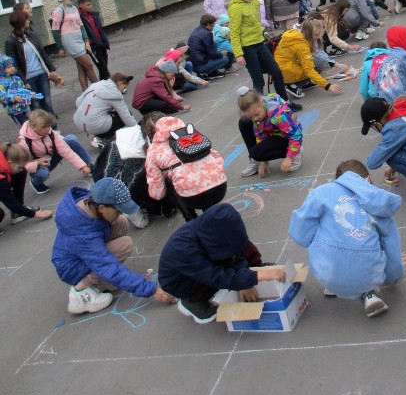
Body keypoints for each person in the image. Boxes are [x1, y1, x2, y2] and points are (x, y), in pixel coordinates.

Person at [289, 159, 404, 317]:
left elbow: (300, 235)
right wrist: (393, 277)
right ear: (368, 179)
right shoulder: (378, 202)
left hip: (325, 271)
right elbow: (392, 248)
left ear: (338, 180)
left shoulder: (320, 193)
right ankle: (369, 292)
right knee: (372, 246)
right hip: (368, 274)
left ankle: (334, 283)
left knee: (322, 229)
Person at [51, 177, 175, 314]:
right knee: (124, 245)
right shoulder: (84, 234)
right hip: (72, 269)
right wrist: (152, 290)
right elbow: (107, 266)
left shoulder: (90, 203)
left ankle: (102, 280)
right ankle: (80, 293)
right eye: (118, 209)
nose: (121, 212)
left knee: (121, 222)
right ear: (102, 207)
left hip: (79, 255)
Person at [158, 202, 286, 324]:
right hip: (181, 282)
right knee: (215, 278)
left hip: (203, 259)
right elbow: (215, 276)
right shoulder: (184, 250)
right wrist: (256, 277)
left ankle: (251, 270)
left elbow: (234, 251)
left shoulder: (212, 228)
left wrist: (245, 277)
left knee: (241, 245)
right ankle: (192, 302)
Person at [228, 0, 301, 110]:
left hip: (260, 43)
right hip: (247, 47)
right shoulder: (235, 8)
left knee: (277, 72)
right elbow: (234, 32)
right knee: (258, 80)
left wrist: (266, 33)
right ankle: (259, 109)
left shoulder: (255, 1)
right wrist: (238, 54)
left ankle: (284, 103)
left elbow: (258, 22)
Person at [145, 116, 227, 221]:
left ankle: (191, 219)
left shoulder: (153, 150)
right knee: (194, 176)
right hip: (220, 185)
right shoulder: (192, 134)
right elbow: (216, 156)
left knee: (170, 181)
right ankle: (213, 215)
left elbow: (158, 192)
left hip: (193, 197)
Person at [18, 109, 92, 195]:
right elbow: (22, 165)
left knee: (71, 139)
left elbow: (65, 150)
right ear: (34, 128)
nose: (48, 129)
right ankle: (36, 183)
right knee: (42, 174)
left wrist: (81, 166)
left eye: (49, 126)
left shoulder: (49, 131)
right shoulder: (24, 142)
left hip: (51, 156)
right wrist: (38, 163)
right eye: (44, 128)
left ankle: (88, 165)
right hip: (38, 164)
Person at [6, 9, 61, 117]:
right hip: (28, 79)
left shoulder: (31, 35)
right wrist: (24, 81)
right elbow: (14, 63)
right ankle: (41, 132)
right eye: (26, 19)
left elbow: (42, 53)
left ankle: (53, 131)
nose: (28, 21)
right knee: (35, 106)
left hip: (42, 75)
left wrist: (52, 70)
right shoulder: (11, 41)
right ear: (20, 22)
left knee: (47, 103)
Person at [237, 86, 303, 177]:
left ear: (261, 102)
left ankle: (296, 153)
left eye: (256, 114)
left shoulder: (279, 115)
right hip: (273, 134)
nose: (255, 119)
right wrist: (263, 159)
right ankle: (255, 161)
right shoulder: (258, 112)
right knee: (243, 122)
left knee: (255, 153)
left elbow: (296, 135)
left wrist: (289, 157)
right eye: (251, 117)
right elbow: (260, 134)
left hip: (287, 137)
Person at [274, 21, 344, 100]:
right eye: (316, 35)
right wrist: (328, 86)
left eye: (319, 34)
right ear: (308, 34)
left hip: (280, 66)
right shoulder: (302, 45)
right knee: (314, 67)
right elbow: (309, 71)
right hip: (284, 70)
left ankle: (304, 82)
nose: (319, 37)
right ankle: (290, 85)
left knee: (313, 62)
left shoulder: (297, 34)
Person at [51, 0, 98, 91]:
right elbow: (55, 30)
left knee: (81, 67)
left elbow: (81, 25)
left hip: (79, 39)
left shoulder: (74, 8)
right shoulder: (59, 10)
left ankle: (86, 92)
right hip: (70, 41)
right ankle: (100, 89)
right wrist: (60, 47)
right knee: (89, 65)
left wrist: (86, 40)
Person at [73, 71, 137, 145]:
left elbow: (78, 102)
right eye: (124, 88)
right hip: (94, 125)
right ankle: (102, 138)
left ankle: (99, 135)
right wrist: (139, 130)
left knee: (106, 113)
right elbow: (127, 118)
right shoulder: (114, 94)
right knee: (126, 115)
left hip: (79, 121)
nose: (123, 91)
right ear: (119, 83)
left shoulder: (96, 85)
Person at [0, 142, 53, 228]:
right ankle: (19, 211)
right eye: (19, 167)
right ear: (9, 162)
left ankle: (18, 214)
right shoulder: (1, 180)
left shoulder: (3, 159)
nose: (20, 169)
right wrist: (38, 214)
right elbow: (12, 205)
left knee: (20, 173)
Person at [188, 14, 234, 79]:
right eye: (213, 23)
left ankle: (206, 71)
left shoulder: (197, 30)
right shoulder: (207, 33)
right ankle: (208, 73)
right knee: (225, 59)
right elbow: (212, 53)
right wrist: (221, 54)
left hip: (194, 63)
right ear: (209, 24)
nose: (214, 25)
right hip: (200, 64)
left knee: (215, 44)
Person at [77, 0, 111, 80]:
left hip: (101, 43)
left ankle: (103, 84)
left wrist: (104, 40)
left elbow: (99, 29)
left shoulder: (93, 14)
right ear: (81, 5)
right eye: (87, 5)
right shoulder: (78, 17)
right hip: (93, 46)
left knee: (104, 66)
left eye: (90, 4)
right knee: (102, 66)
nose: (90, 6)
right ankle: (109, 84)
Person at [0, 54, 35, 126]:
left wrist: (29, 94)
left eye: (12, 66)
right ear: (2, 69)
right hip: (14, 111)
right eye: (8, 67)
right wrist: (14, 98)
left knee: (31, 126)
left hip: (24, 107)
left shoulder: (17, 78)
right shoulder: (1, 83)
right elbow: (2, 97)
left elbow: (23, 90)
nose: (12, 68)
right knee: (24, 128)